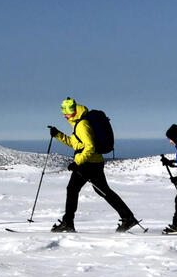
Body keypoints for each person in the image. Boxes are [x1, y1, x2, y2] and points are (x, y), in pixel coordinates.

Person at [48, 97, 139, 233]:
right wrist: (58, 135)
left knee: (73, 189)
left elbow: (89, 147)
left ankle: (68, 223)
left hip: (87, 164)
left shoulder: (82, 125)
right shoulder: (79, 123)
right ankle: (128, 217)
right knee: (103, 191)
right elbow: (77, 144)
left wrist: (77, 163)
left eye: (65, 112)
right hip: (94, 163)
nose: (64, 115)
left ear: (72, 112)